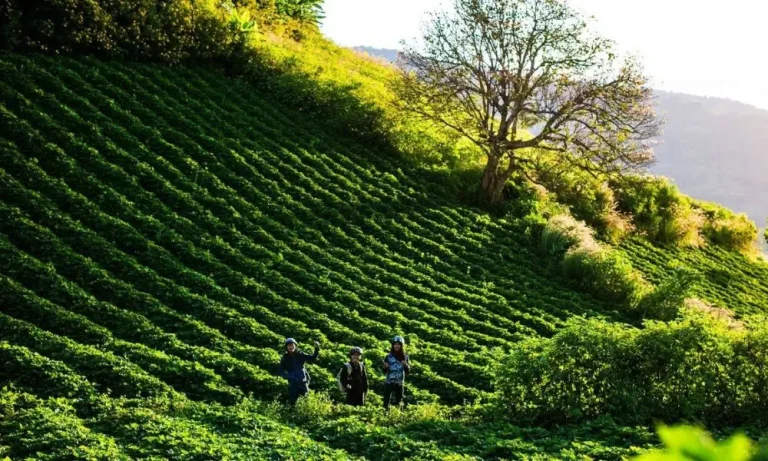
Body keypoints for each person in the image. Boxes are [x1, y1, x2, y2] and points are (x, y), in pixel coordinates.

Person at [278, 337, 319, 405]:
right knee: (293, 402)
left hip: (303, 382)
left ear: (295, 346)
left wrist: (316, 349)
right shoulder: (285, 358)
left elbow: (312, 358)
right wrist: (289, 376)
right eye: (289, 346)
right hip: (293, 384)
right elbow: (280, 371)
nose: (291, 347)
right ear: (286, 347)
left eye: (292, 345)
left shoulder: (300, 354)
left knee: (307, 400)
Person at [381, 335, 410, 410]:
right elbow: (384, 371)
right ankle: (385, 414)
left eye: (399, 344)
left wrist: (406, 365)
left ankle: (400, 416)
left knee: (400, 401)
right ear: (393, 345)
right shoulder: (388, 356)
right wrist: (385, 367)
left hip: (399, 383)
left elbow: (407, 372)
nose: (397, 346)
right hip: (389, 382)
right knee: (386, 401)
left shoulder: (405, 357)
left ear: (401, 346)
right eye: (395, 344)